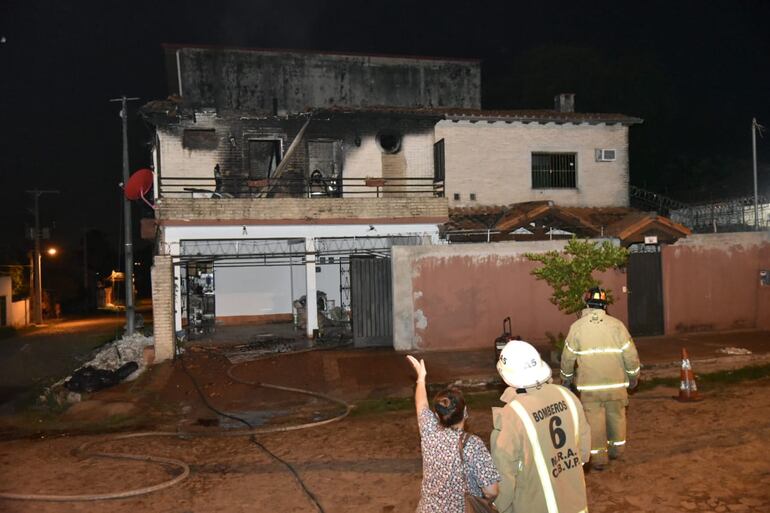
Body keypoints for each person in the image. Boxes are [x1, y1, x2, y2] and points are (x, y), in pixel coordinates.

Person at [491, 340, 591, 513]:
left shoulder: (512, 415)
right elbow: (583, 453)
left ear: (505, 375)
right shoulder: (567, 396)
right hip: (576, 505)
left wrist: (496, 507)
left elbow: (504, 477)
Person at [560, 287, 641, 470]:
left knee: (594, 422)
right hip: (617, 386)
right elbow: (630, 355)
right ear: (605, 304)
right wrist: (634, 376)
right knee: (617, 417)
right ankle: (617, 452)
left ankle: (598, 460)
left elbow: (567, 358)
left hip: (590, 388)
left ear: (587, 303)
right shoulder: (617, 326)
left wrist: (566, 379)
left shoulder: (577, 327)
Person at [406, 355, 499, 513]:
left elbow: (421, 404)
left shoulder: (429, 430)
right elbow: (491, 491)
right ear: (465, 412)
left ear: (436, 416)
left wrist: (421, 379)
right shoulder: (472, 444)